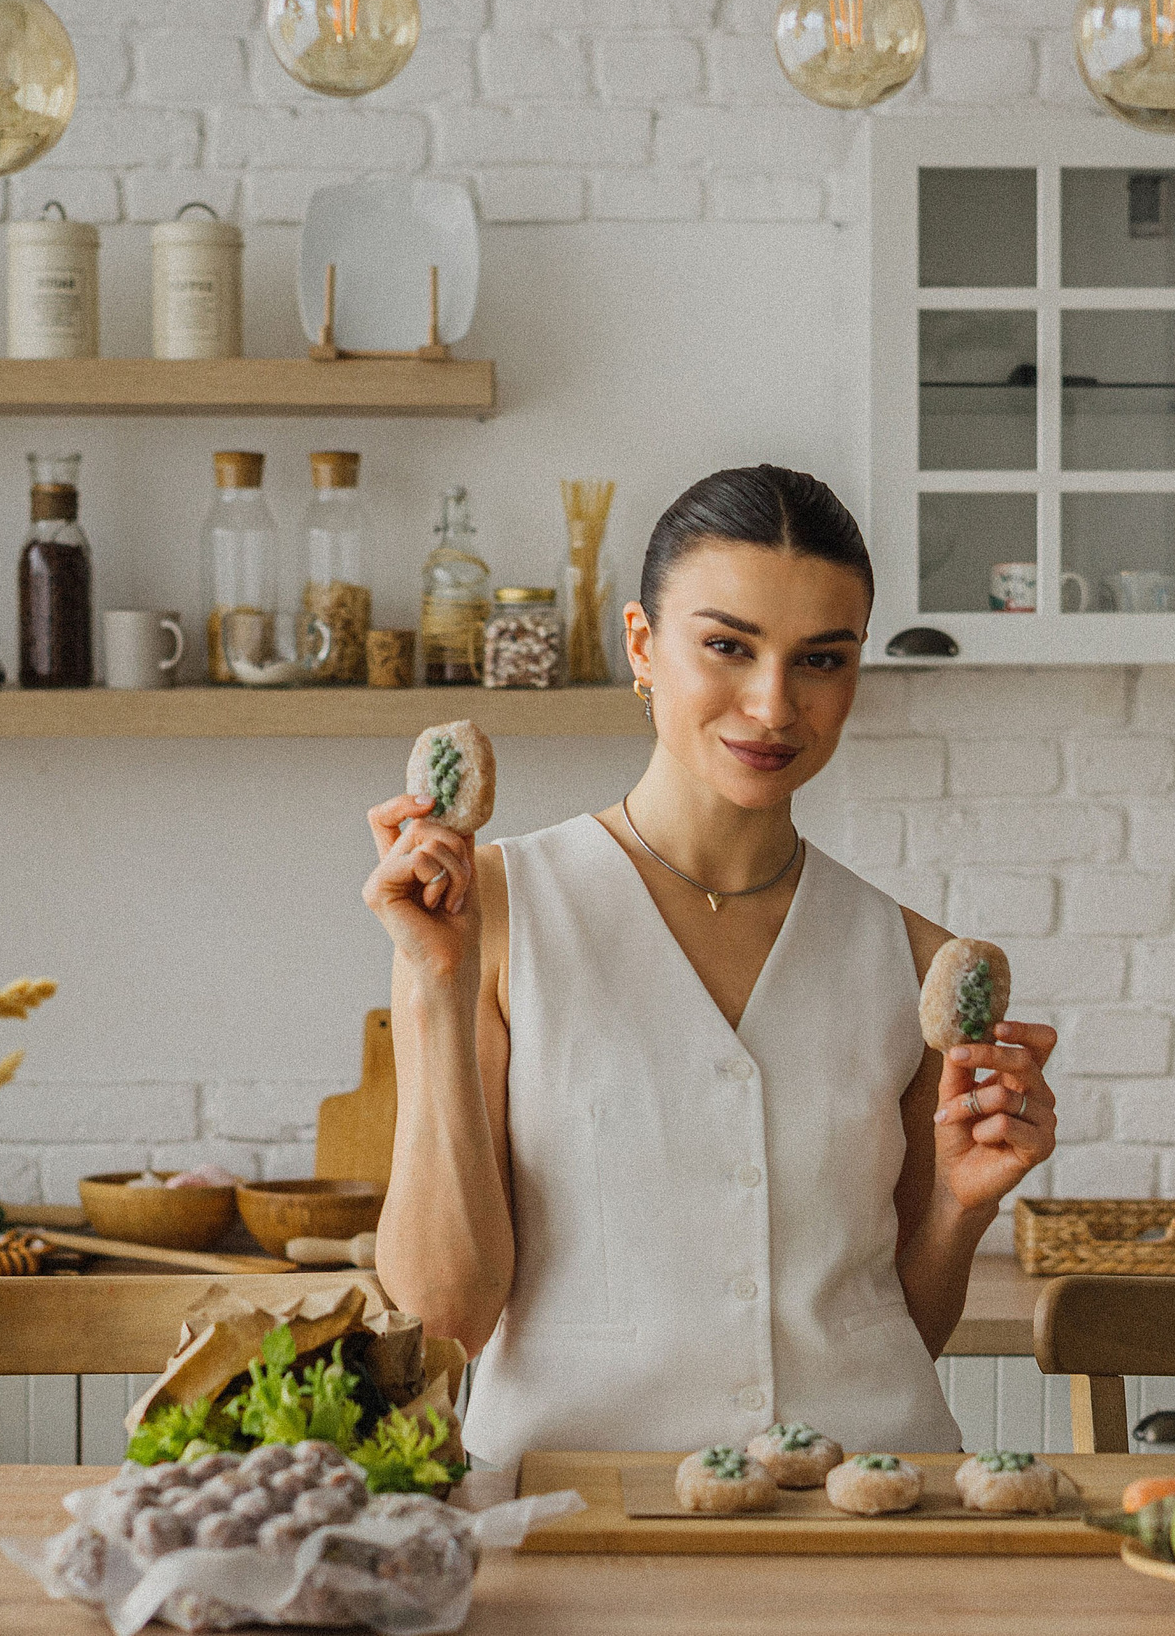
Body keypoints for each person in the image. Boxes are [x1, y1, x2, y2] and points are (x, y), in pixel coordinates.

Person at [362, 465, 1058, 1470]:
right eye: (728, 646)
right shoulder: (488, 914)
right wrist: (435, 983)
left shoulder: (912, 959)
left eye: (821, 659)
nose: (774, 705)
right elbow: (442, 1318)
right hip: (572, 1512)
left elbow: (900, 1329)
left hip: (859, 1512)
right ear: (642, 645)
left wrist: (960, 1203)